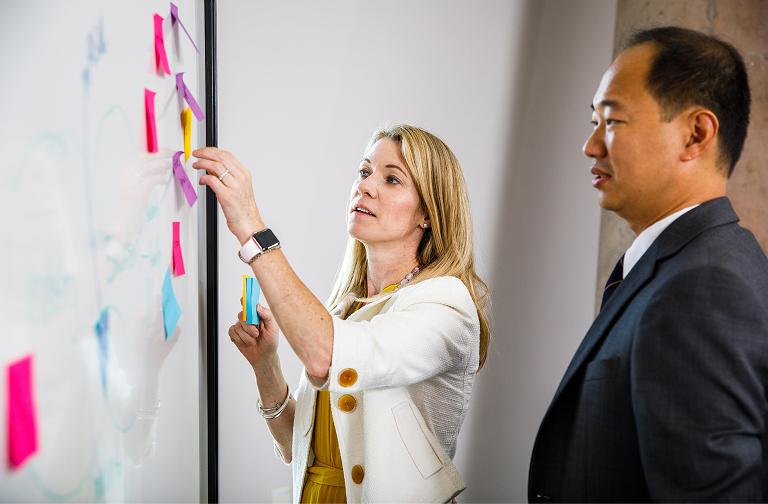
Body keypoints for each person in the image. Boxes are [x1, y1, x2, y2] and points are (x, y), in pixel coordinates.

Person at [528, 27, 768, 502]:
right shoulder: (688, 265)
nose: (590, 145)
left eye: (612, 121)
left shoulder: (703, 288)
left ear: (695, 134)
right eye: (593, 121)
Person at [192, 124, 490, 503]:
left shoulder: (447, 304)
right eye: (364, 171)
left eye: (392, 179)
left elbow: (325, 356)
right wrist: (265, 366)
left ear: (428, 214)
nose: (365, 185)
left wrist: (252, 229)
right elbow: (298, 449)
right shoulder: (346, 308)